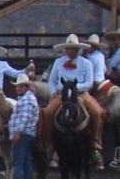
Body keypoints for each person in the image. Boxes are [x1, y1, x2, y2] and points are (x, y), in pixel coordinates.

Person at [43, 34, 105, 165]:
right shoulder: (58, 62)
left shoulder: (86, 63)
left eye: (73, 49)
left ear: (78, 50)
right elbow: (52, 80)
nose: (70, 51)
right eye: (68, 49)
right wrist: (53, 92)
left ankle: (95, 139)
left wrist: (74, 88)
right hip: (62, 94)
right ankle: (50, 141)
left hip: (80, 93)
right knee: (48, 112)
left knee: (97, 112)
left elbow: (89, 82)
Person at [7, 73, 39, 179]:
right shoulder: (28, 98)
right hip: (27, 133)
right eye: (17, 86)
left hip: (23, 134)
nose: (18, 88)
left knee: (18, 162)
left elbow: (24, 118)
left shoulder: (26, 100)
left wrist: (18, 132)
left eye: (21, 86)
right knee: (26, 162)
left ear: (26, 87)